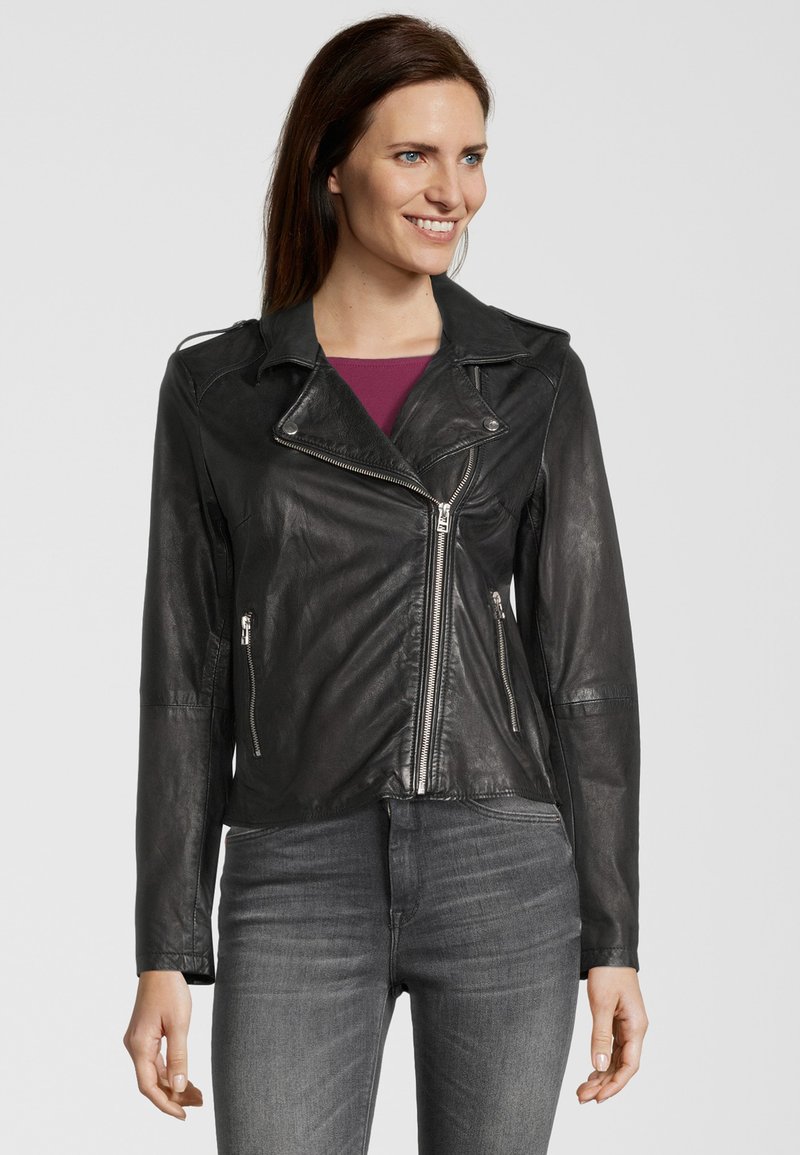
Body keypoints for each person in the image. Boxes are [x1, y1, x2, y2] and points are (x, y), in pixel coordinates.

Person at [123, 13, 649, 1154]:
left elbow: (586, 672)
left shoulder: (531, 378)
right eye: (413, 154)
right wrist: (166, 947)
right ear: (331, 167)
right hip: (292, 869)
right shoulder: (220, 390)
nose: (451, 191)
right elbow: (185, 681)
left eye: (471, 157)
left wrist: (613, 937)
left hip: (501, 863)